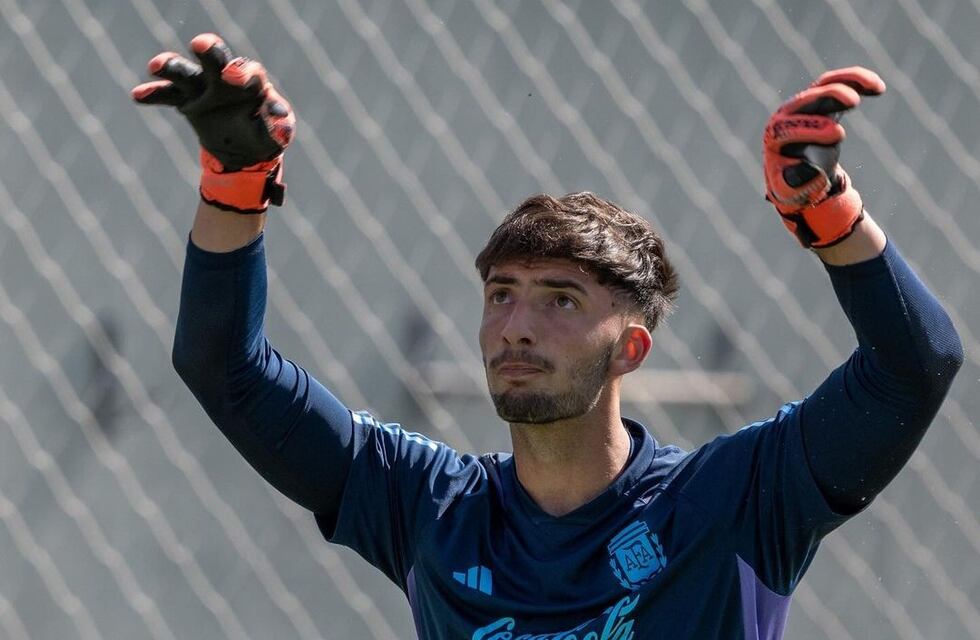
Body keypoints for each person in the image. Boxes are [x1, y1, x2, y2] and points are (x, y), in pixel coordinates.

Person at [133, 33, 963, 639]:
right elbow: (222, 367)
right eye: (501, 294)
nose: (515, 327)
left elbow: (915, 365)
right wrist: (235, 189)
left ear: (630, 349)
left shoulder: (735, 500)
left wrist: (827, 216)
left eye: (561, 301)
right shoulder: (427, 507)